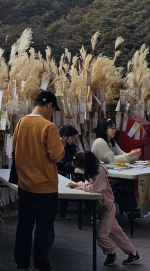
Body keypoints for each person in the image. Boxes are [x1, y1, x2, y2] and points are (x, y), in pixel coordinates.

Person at [13, 91, 65, 271]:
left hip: (25, 185)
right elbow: (57, 156)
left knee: (24, 226)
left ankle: (22, 263)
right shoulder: (48, 127)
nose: (52, 115)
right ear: (49, 105)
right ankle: (41, 265)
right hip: (45, 188)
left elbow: (16, 143)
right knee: (44, 228)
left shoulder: (20, 123)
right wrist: (62, 144)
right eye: (53, 110)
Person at [68, 151, 141, 266]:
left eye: (81, 167)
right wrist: (79, 185)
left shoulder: (99, 171)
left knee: (101, 235)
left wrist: (81, 186)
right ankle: (133, 253)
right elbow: (90, 185)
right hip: (103, 207)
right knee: (117, 233)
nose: (82, 170)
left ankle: (110, 253)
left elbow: (95, 188)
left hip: (107, 207)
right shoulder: (93, 170)